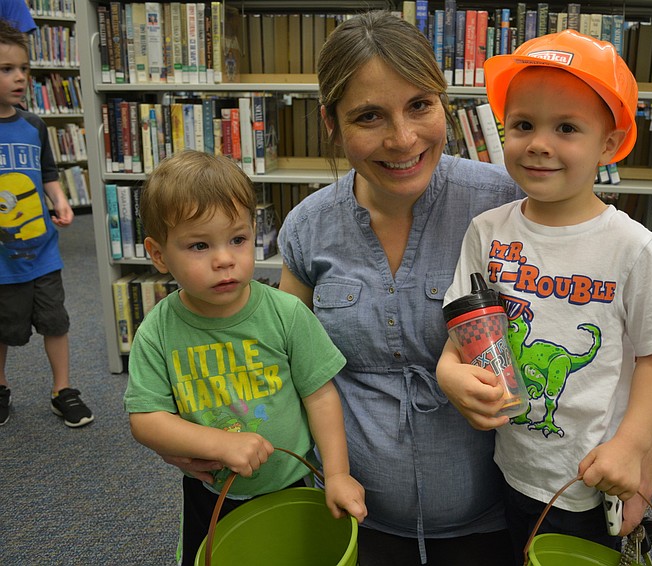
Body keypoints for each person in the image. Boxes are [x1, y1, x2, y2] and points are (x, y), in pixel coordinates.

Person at [436, 29, 652, 563]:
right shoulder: (487, 232)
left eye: (567, 128)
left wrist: (633, 445)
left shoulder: (630, 246)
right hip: (514, 462)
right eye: (524, 125)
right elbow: (465, 323)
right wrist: (447, 369)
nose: (539, 143)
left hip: (594, 473)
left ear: (608, 144)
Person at [276, 11, 526, 566]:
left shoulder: (507, 204)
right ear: (332, 125)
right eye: (369, 116)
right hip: (355, 519)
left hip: (498, 517)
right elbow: (282, 361)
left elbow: (604, 319)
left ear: (444, 104)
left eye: (420, 105)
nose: (403, 138)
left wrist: (643, 444)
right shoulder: (307, 227)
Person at [123, 150, 367, 565]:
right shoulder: (158, 330)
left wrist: (339, 474)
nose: (224, 259)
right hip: (209, 493)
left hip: (291, 481)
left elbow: (321, 396)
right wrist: (218, 443)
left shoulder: (286, 314)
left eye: (237, 239)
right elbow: (146, 419)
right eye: (199, 245)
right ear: (159, 254)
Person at [0, 18, 93, 428]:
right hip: (3, 260)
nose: (19, 78)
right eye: (6, 70)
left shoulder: (34, 125)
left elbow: (49, 173)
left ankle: (63, 389)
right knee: (4, 328)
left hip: (43, 252)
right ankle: (1, 387)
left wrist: (61, 202)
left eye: (23, 69)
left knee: (56, 321)